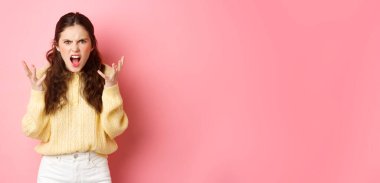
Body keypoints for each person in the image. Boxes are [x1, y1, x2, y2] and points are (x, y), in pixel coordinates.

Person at [21, 12, 128, 183]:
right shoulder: (42, 78)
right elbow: (33, 130)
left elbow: (115, 129)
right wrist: (37, 92)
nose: (75, 49)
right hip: (54, 171)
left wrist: (111, 89)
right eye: (67, 42)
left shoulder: (106, 75)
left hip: (95, 169)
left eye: (82, 41)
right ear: (57, 46)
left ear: (92, 45)